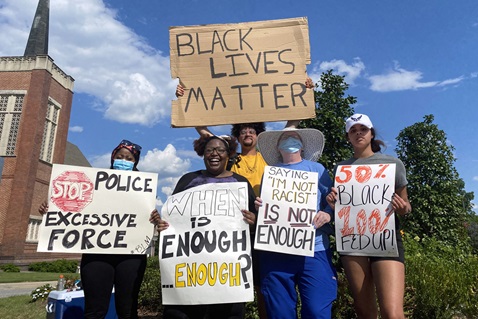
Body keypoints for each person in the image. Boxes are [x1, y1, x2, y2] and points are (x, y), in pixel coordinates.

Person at [39, 139, 158, 319]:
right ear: (112, 158)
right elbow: (74, 208)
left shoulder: (144, 189)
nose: (123, 161)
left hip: (131, 256)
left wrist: (155, 219)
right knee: (95, 310)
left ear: (135, 162)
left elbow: (145, 218)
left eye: (129, 158)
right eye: (120, 157)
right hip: (97, 253)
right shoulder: (94, 183)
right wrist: (52, 209)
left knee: (128, 310)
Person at [153, 135, 257, 319]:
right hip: (190, 276)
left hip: (227, 276)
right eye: (209, 150)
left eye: (220, 150)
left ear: (228, 155)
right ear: (203, 154)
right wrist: (164, 225)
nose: (214, 154)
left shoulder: (241, 184)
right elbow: (173, 218)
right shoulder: (188, 180)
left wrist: (253, 221)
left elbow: (253, 225)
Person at [326, 114, 412, 319]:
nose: (358, 134)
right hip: (352, 241)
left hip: (385, 240)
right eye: (353, 131)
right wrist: (332, 204)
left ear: (371, 133)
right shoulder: (341, 168)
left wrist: (402, 209)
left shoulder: (393, 164)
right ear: (348, 137)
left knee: (393, 313)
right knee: (365, 312)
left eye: (362, 129)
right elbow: (341, 207)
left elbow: (407, 205)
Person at [255, 128, 337, 319]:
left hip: (314, 249)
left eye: (294, 137)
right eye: (284, 138)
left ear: (302, 145)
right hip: (276, 249)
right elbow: (270, 208)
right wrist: (261, 206)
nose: (290, 140)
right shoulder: (270, 172)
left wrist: (327, 213)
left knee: (318, 311)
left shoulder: (317, 169)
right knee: (280, 312)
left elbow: (333, 199)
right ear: (277, 146)